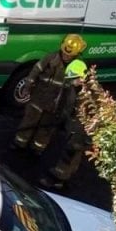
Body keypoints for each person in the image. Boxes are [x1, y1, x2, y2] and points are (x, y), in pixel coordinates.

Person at [12, 33, 87, 154]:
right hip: (39, 96)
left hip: (56, 103)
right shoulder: (51, 58)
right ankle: (19, 142)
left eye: (69, 54)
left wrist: (76, 90)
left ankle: (37, 148)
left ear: (76, 53)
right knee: (29, 120)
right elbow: (36, 70)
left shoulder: (78, 66)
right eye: (64, 52)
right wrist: (28, 85)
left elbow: (81, 87)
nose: (66, 56)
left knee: (46, 127)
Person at [39, 58, 91, 190]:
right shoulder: (76, 89)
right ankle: (63, 179)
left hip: (81, 133)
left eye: (74, 79)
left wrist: (87, 140)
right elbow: (69, 107)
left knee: (69, 156)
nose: (72, 82)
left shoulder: (91, 96)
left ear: (82, 77)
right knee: (70, 156)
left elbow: (93, 120)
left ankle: (57, 179)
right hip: (72, 128)